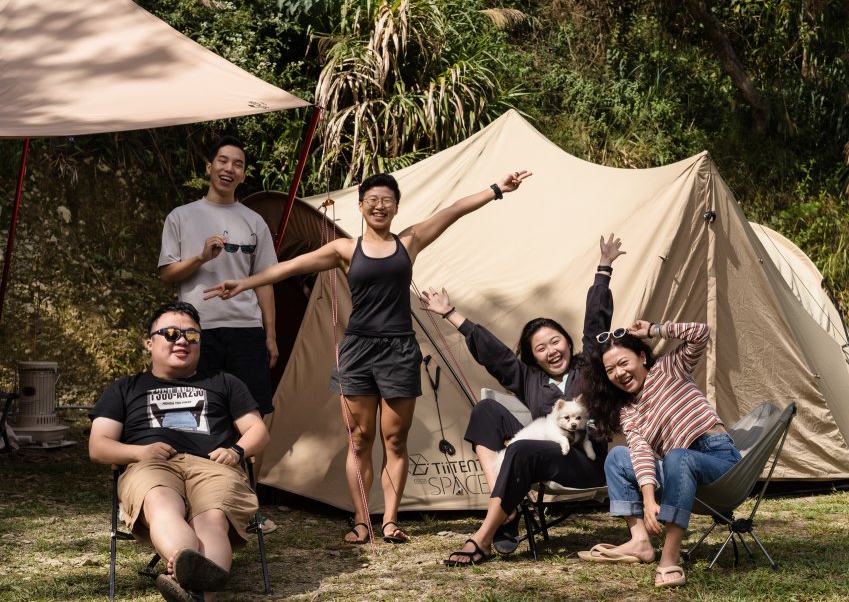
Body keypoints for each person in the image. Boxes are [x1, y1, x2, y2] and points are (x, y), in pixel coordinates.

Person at [204, 169, 531, 545]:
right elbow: (289, 267)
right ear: (360, 206)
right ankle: (362, 520)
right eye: (372, 200)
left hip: (399, 350)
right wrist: (242, 283)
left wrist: (496, 189)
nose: (379, 205)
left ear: (395, 207)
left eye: (386, 200)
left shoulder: (410, 240)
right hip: (358, 350)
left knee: (395, 441)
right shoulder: (344, 250)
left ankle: (389, 520)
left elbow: (455, 209)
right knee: (359, 439)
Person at [419, 234, 625, 565]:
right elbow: (493, 353)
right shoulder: (528, 378)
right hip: (544, 455)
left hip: (585, 463)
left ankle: (483, 538)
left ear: (568, 343)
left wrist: (604, 268)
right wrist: (450, 314)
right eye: (540, 348)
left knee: (521, 447)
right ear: (533, 358)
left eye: (555, 341)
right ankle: (507, 506)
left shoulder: (590, 366)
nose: (551, 351)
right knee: (486, 410)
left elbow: (596, 322)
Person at [88, 302, 270, 602]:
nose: (182, 340)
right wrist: (139, 453)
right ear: (150, 342)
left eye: (191, 335)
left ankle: (192, 590)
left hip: (214, 464)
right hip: (150, 465)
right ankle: (194, 581)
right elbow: (98, 446)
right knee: (160, 501)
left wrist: (236, 451)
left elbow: (258, 430)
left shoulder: (224, 382)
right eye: (171, 333)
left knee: (213, 517)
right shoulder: (124, 389)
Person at [577, 320, 740, 588]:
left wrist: (653, 330)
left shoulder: (668, 369)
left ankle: (670, 555)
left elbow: (701, 333)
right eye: (610, 370)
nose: (619, 373)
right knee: (618, 456)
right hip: (680, 474)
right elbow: (640, 451)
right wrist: (649, 498)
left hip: (718, 461)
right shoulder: (629, 410)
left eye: (623, 363)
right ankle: (640, 541)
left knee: (677, 455)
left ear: (642, 357)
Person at [158, 135, 278, 418]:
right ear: (209, 167)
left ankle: (245, 463)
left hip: (247, 329)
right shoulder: (180, 216)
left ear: (243, 175)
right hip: (196, 329)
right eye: (223, 161)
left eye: (238, 165)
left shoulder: (254, 221)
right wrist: (201, 258)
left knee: (253, 412)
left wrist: (270, 334)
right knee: (197, 411)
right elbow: (166, 274)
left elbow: (264, 281)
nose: (229, 169)